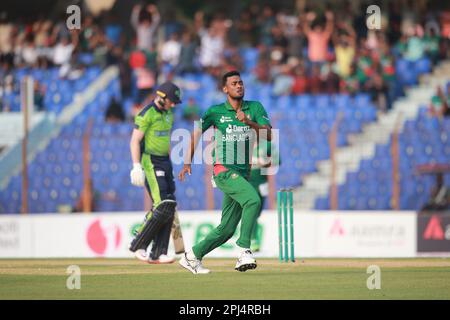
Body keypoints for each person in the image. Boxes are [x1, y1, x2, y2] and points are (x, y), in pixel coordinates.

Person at [178, 70, 272, 274]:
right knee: (253, 200)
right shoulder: (215, 111)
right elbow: (196, 133)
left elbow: (270, 135)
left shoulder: (254, 107)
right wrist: (187, 162)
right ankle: (245, 250)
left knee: (227, 229)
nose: (239, 86)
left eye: (241, 82)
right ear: (225, 89)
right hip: (223, 171)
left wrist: (249, 122)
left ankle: (191, 257)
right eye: (234, 83)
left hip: (242, 173)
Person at [129, 81, 182, 264]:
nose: (174, 104)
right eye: (172, 100)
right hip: (150, 161)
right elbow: (135, 141)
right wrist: (136, 166)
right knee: (162, 204)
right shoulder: (146, 113)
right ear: (162, 97)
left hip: (165, 162)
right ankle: (139, 244)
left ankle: (158, 252)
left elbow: (166, 141)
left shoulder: (168, 114)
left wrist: (170, 164)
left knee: (170, 205)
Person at [248, 140, 279, 252]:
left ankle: (252, 237)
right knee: (253, 211)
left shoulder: (267, 146)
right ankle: (254, 239)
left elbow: (277, 160)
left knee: (257, 213)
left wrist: (265, 162)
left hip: (262, 184)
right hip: (248, 183)